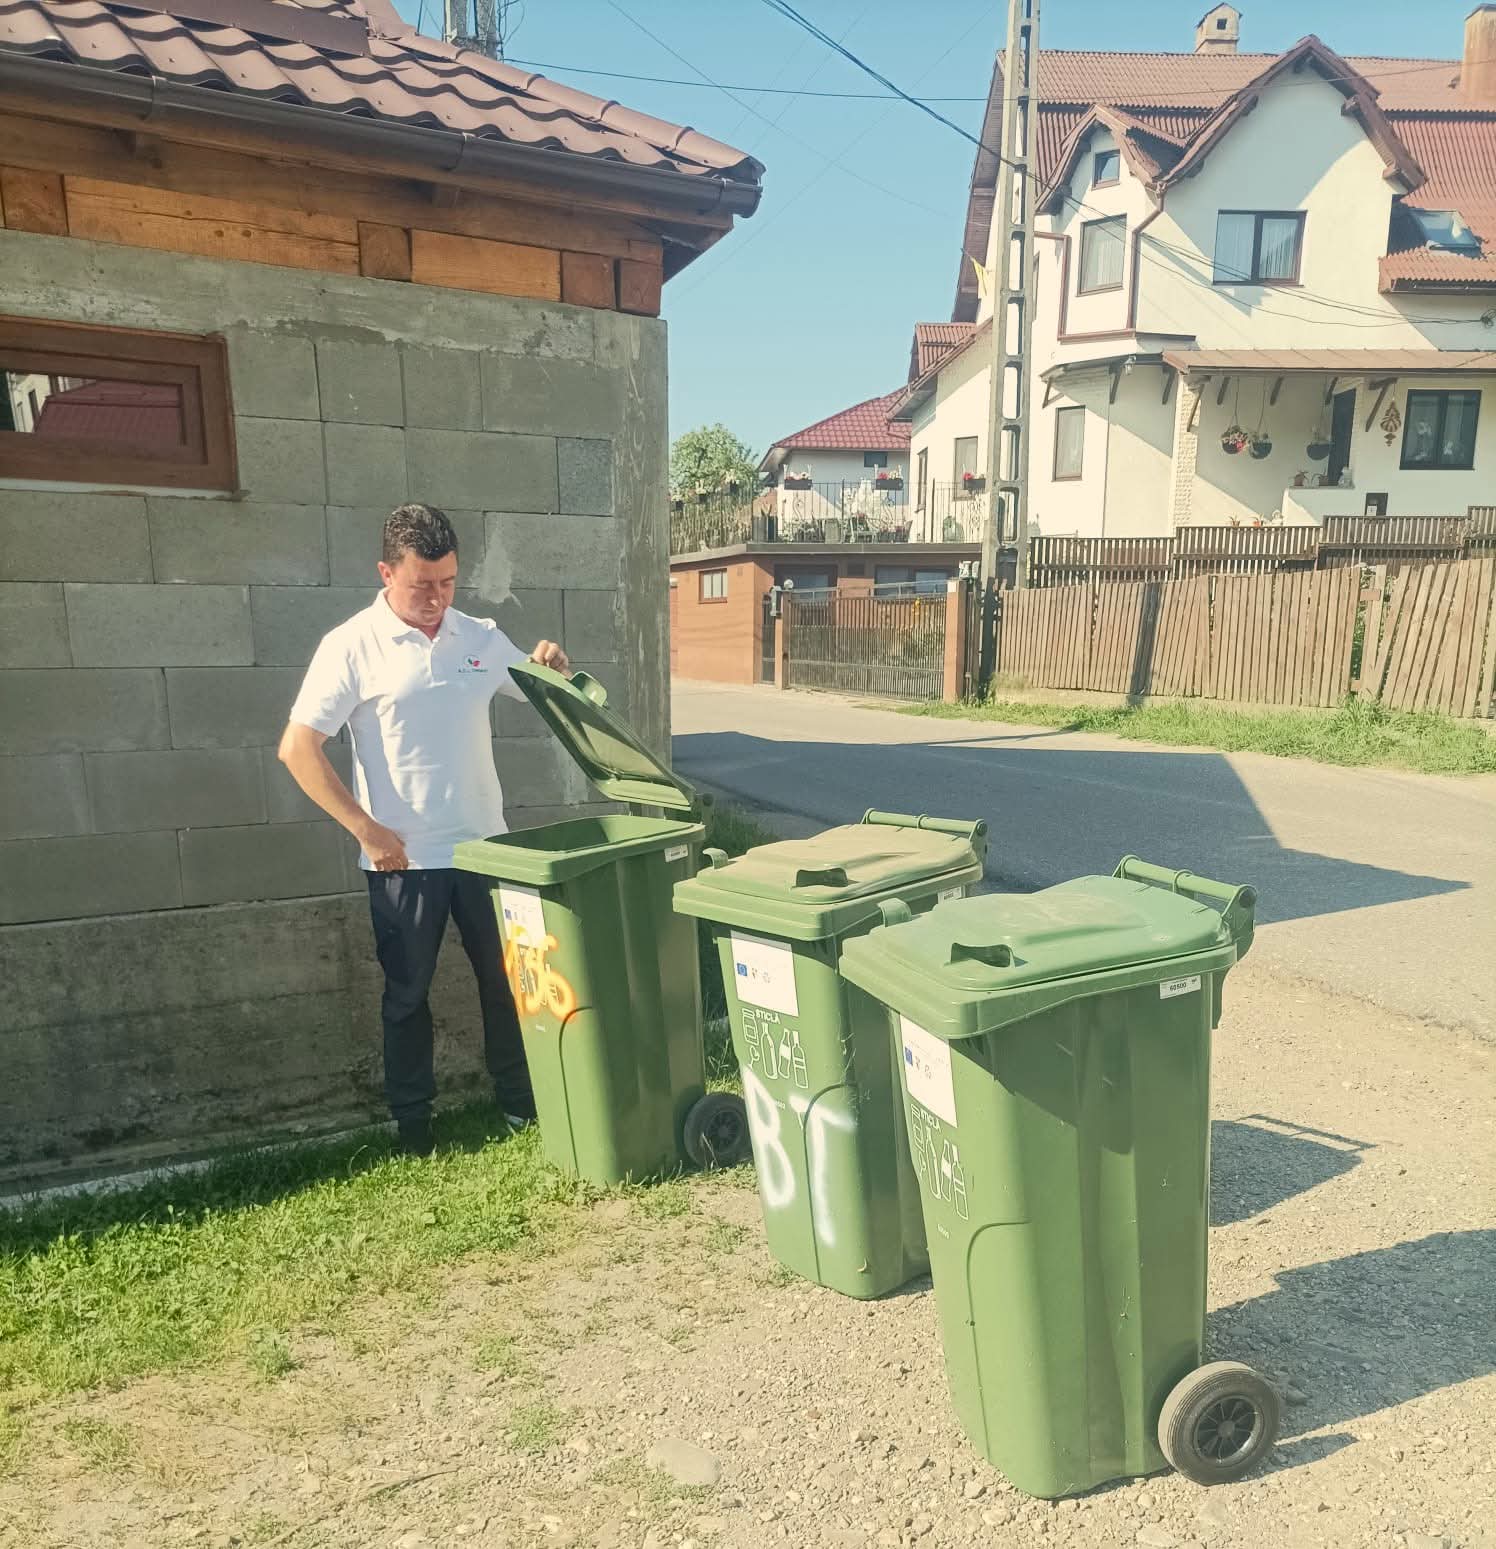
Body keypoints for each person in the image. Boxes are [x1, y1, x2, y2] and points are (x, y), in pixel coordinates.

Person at [279, 503, 569, 1156]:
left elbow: (549, 693)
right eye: (421, 584)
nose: (437, 598)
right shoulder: (351, 646)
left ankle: (521, 1106)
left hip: (486, 852)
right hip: (403, 862)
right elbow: (297, 749)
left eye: (448, 582)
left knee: (507, 986)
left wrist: (553, 666)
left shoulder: (480, 637)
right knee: (407, 997)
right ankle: (414, 1128)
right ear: (386, 573)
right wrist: (367, 830)